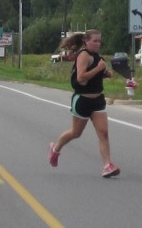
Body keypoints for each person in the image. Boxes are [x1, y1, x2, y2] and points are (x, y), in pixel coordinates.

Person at [47, 29, 120, 178]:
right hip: (83, 100)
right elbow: (81, 78)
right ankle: (56, 148)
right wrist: (99, 68)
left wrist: (105, 74)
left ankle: (107, 165)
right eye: (95, 41)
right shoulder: (84, 55)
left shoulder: (96, 56)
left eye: (99, 41)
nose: (98, 44)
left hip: (97, 100)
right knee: (76, 133)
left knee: (103, 133)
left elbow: (93, 76)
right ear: (86, 41)